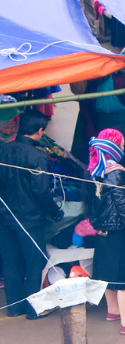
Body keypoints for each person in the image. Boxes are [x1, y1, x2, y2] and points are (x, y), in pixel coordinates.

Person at [86, 129, 125, 333]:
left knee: (107, 273)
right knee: (124, 277)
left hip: (102, 230)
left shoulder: (94, 169)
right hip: (117, 230)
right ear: (113, 147)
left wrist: (95, 223)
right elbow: (124, 205)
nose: (123, 148)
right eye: (121, 145)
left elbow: (87, 201)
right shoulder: (117, 172)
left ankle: (113, 310)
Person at [0, 112, 61, 319]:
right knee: (34, 262)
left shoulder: (4, 150)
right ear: (40, 131)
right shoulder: (37, 157)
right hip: (30, 219)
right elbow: (42, 191)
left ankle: (15, 308)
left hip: (5, 217)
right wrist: (56, 212)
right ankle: (34, 310)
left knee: (10, 263)